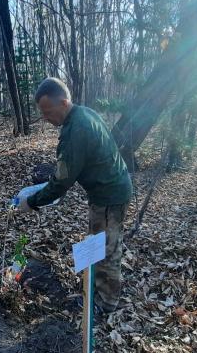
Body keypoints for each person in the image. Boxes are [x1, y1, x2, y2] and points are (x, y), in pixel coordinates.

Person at [16, 77, 133, 313]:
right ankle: (93, 287)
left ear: (64, 102)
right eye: (42, 113)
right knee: (97, 242)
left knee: (107, 249)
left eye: (48, 112)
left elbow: (62, 181)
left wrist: (32, 202)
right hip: (108, 190)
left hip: (109, 195)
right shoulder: (84, 114)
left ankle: (106, 302)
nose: (46, 118)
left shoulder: (76, 130)